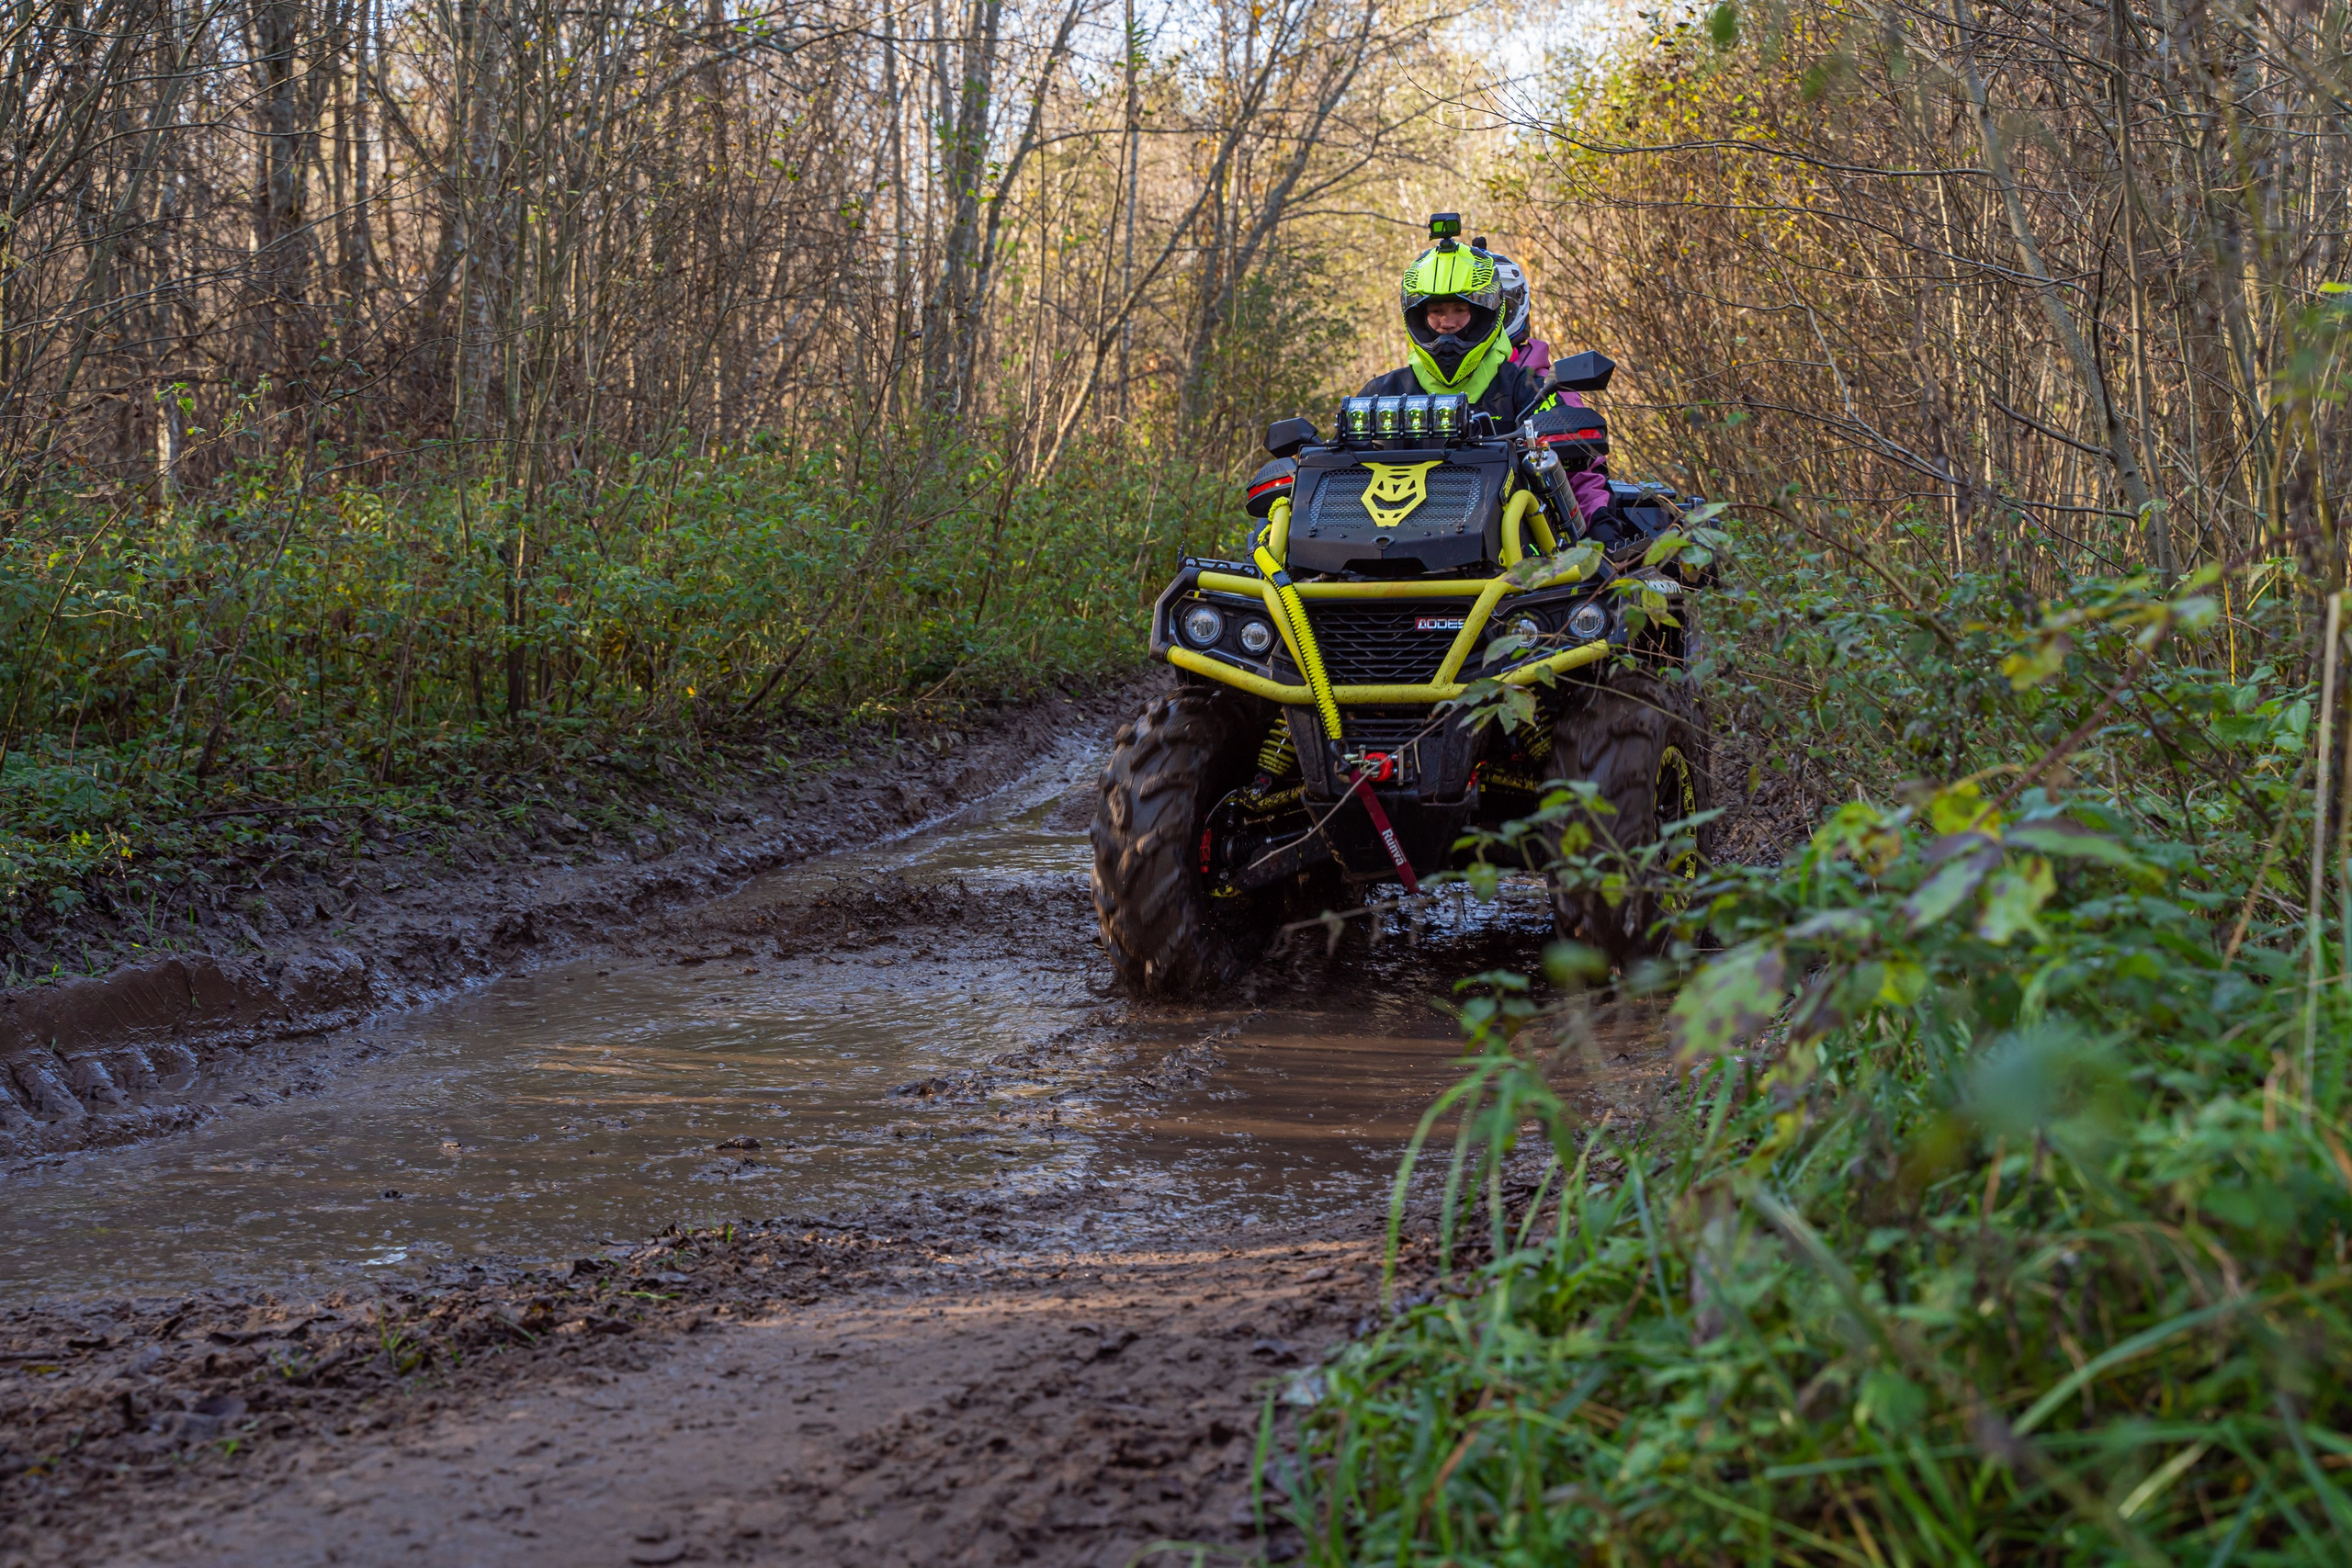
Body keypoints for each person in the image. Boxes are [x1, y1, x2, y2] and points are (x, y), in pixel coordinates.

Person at [1357, 216, 1610, 527]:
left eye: (1460, 310)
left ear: (1484, 314)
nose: (1447, 322)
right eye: (1436, 311)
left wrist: (1599, 525)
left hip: (1512, 556)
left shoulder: (1528, 391)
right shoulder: (1380, 394)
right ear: (1419, 316)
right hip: (1385, 554)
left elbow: (1580, 472)